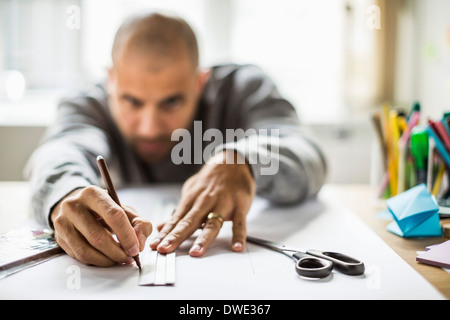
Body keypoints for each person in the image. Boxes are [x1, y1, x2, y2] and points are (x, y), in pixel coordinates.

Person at [25, 11, 327, 267]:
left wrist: (242, 161)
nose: (149, 127)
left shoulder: (244, 89)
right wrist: (67, 194)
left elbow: (307, 153)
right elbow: (58, 152)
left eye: (171, 102)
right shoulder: (88, 104)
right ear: (111, 81)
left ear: (200, 83)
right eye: (131, 100)